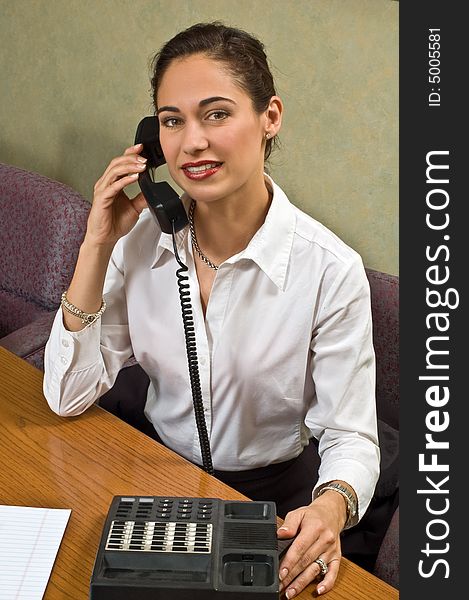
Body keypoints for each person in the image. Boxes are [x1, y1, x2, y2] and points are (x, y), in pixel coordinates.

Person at [43, 22, 381, 598]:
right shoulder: (142, 242)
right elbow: (66, 395)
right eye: (173, 120)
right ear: (152, 139)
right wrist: (95, 245)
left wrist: (331, 507)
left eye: (216, 114)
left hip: (273, 499)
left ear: (269, 117)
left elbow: (352, 435)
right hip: (151, 473)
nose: (191, 142)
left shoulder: (331, 269)